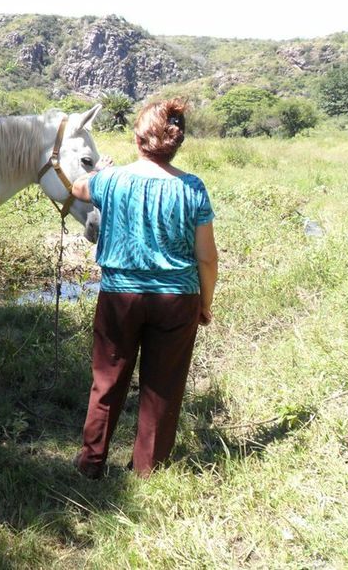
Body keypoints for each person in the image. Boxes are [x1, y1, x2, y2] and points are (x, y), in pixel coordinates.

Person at [69, 98, 218, 478]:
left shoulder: (110, 180)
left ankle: (91, 463)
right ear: (177, 142)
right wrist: (205, 303)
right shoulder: (193, 188)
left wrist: (100, 169)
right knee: (162, 385)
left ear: (138, 139)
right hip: (177, 299)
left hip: (120, 297)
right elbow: (207, 258)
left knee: (107, 380)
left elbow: (77, 186)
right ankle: (147, 469)